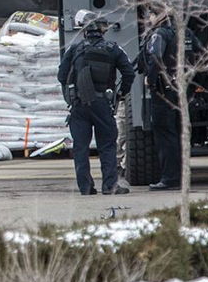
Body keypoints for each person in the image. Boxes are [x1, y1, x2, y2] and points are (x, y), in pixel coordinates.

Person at [58, 11, 136, 195]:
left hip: (79, 105)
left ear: (84, 30)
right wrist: (121, 93)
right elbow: (129, 73)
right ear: (102, 30)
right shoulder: (113, 49)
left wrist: (71, 94)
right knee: (107, 145)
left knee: (81, 147)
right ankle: (110, 186)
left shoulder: (74, 49)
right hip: (102, 103)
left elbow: (61, 75)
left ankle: (85, 187)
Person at [141, 15, 200, 191]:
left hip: (164, 92)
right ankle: (182, 175)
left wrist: (150, 81)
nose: (149, 17)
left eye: (152, 14)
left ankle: (170, 178)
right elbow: (201, 55)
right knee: (181, 132)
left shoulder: (160, 34)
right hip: (183, 91)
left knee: (166, 135)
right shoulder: (187, 33)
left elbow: (156, 57)